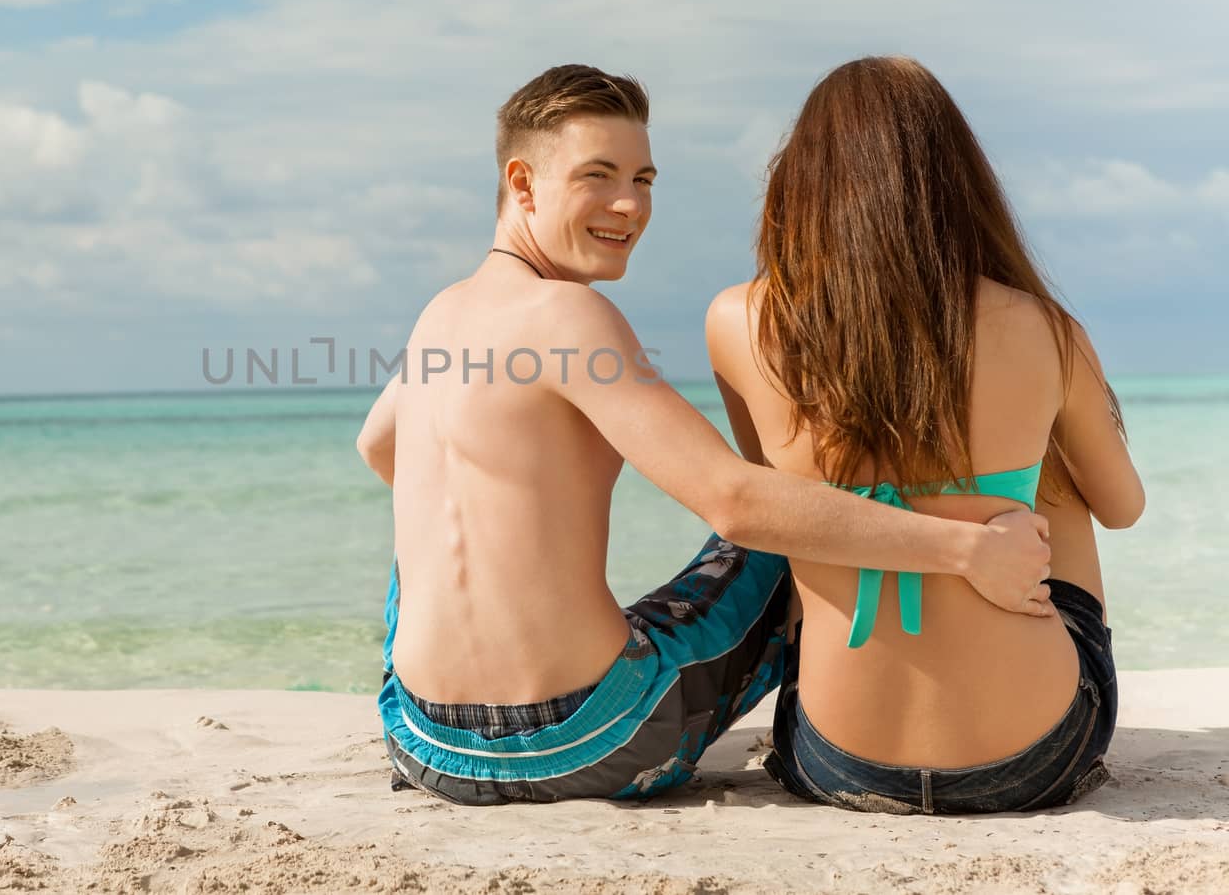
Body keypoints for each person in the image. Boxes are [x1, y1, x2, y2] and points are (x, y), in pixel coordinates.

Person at [353, 64, 1057, 806]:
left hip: (423, 739)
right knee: (789, 516)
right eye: (599, 175)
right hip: (589, 738)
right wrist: (970, 549)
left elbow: (378, 447)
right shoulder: (569, 318)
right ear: (522, 184)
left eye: (645, 178)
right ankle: (875, 709)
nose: (629, 204)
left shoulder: (442, 315)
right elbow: (735, 502)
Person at [706, 55, 1144, 814]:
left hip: (837, 757)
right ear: (957, 182)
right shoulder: (1042, 328)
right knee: (1056, 482)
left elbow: (779, 507)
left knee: (815, 506)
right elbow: (1123, 505)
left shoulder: (739, 322)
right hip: (1032, 755)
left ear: (800, 180)